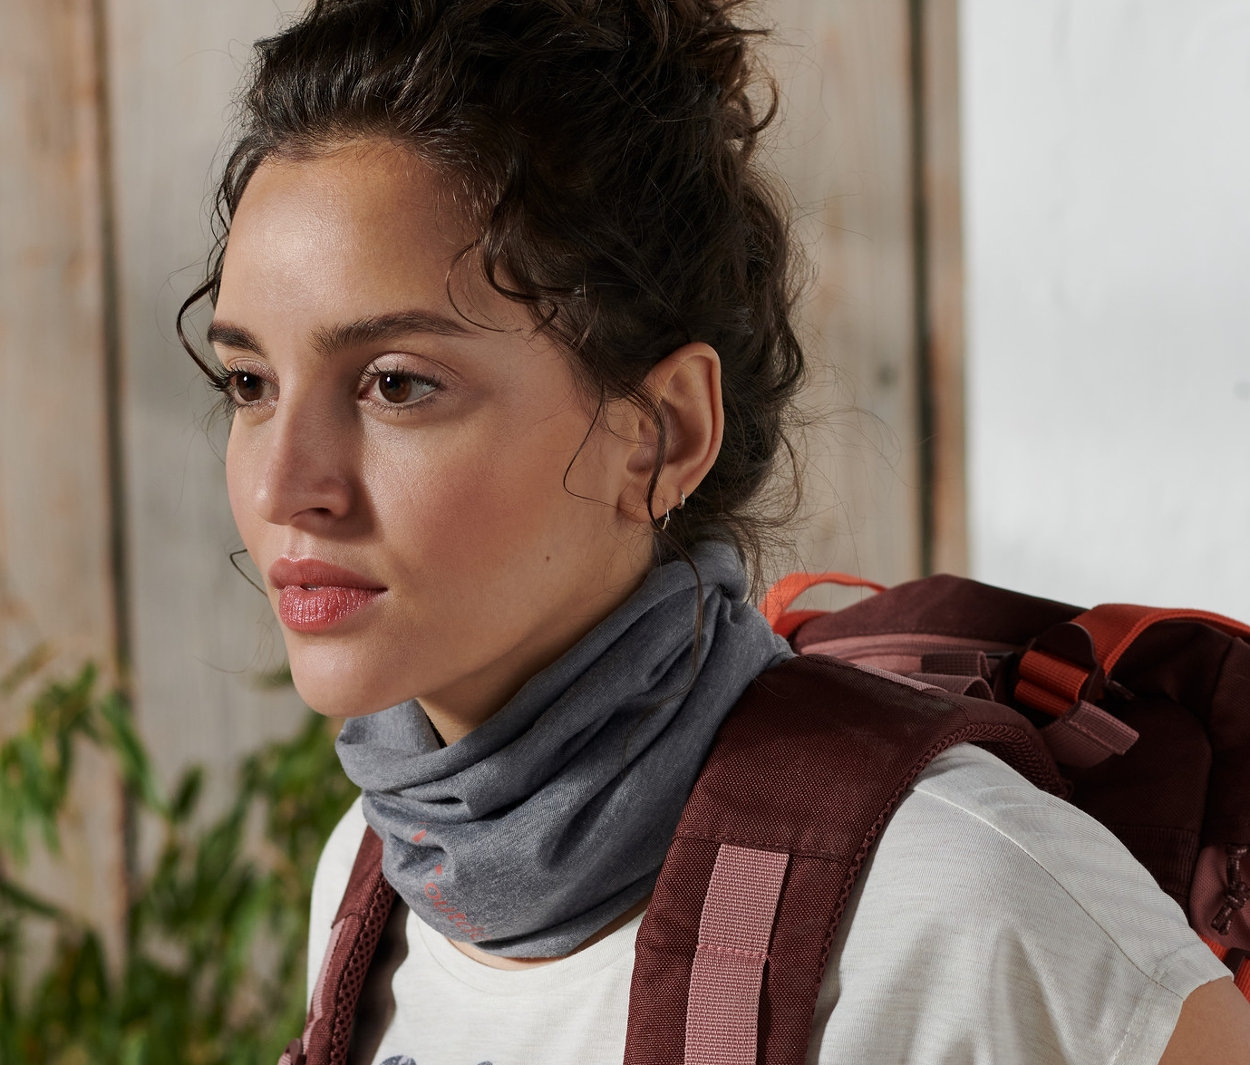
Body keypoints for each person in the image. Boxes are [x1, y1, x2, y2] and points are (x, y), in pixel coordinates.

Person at [178, 0, 1250, 1061]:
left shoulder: (962, 901)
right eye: (250, 382)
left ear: (659, 435)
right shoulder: (371, 877)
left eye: (396, 384)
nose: (282, 484)